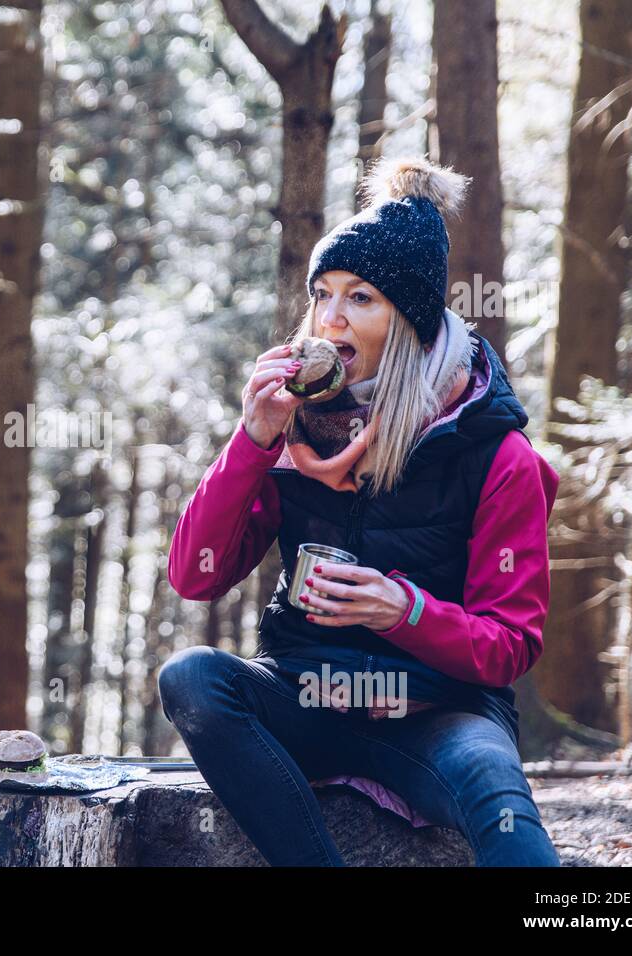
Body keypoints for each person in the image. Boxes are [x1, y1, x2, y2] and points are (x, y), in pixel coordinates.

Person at [158, 157, 561, 866]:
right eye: (322, 294)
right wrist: (252, 440)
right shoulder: (293, 431)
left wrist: (401, 610)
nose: (331, 317)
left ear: (408, 320)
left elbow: (510, 645)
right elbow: (196, 575)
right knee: (191, 677)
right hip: (307, 690)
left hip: (438, 713)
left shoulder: (496, 455)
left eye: (360, 298)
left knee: (493, 782)